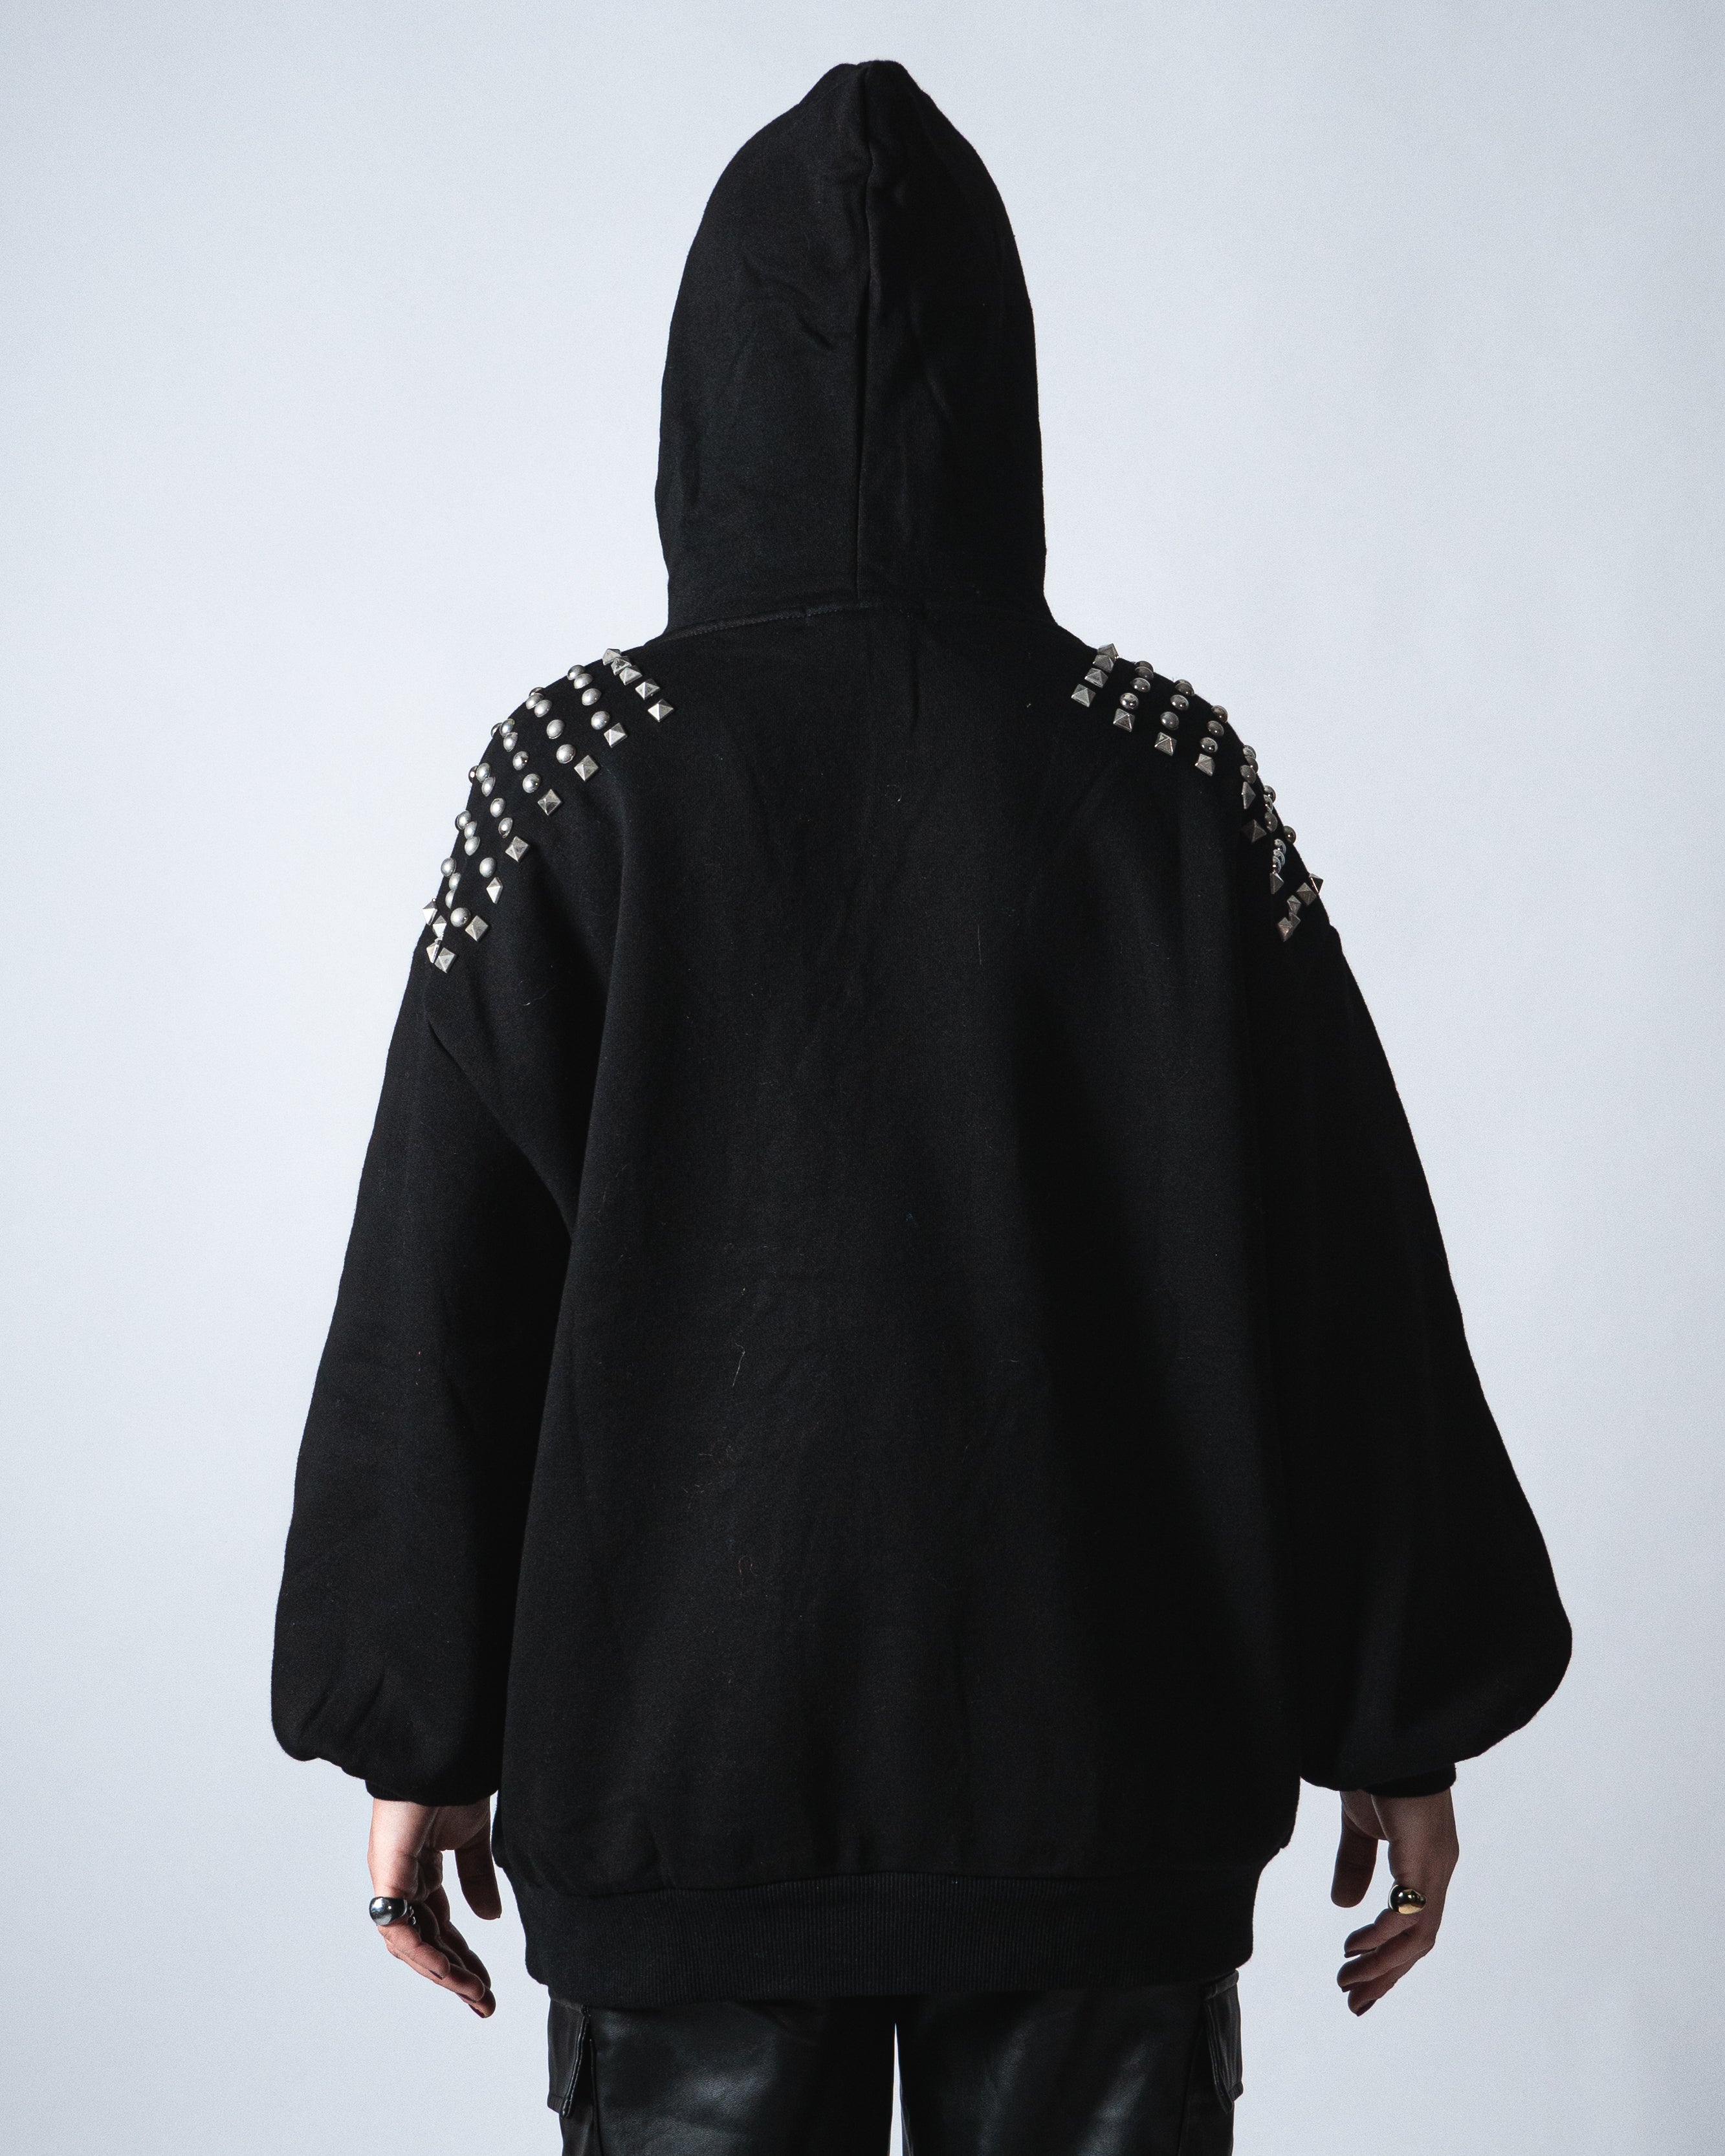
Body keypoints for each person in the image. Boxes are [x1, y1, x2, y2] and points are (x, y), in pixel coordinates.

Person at [272, 59, 1570, 2154]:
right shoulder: (1162, 775)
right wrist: (1398, 1712)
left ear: (701, 392)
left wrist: (410, 1727)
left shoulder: (580, 777)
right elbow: (1337, 1272)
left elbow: (445, 1285)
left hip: (679, 1798)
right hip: (1105, 1788)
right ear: (1002, 385)